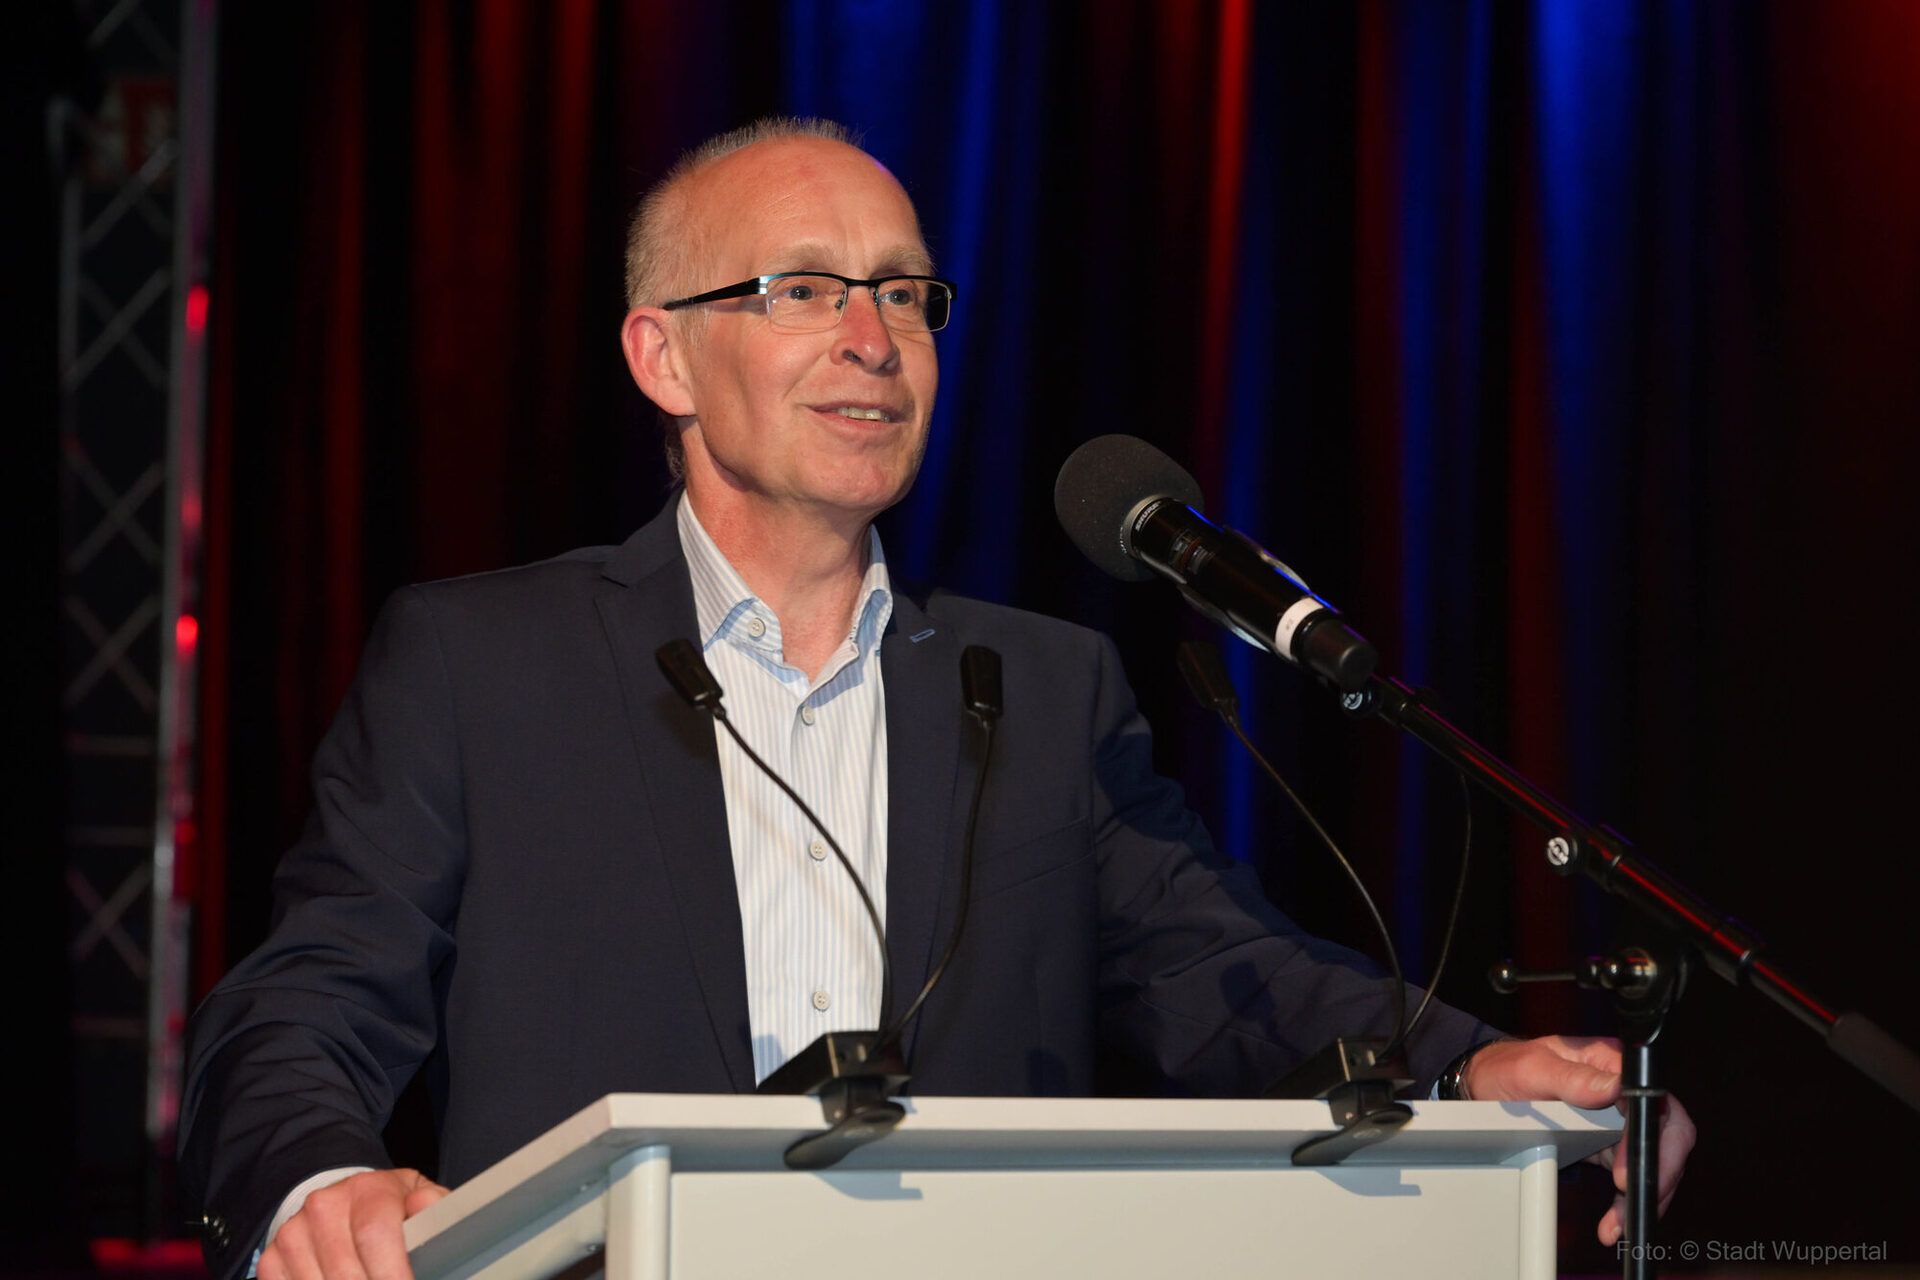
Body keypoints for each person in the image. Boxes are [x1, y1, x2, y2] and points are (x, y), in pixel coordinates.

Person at [179, 118, 1694, 1280]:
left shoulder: (1037, 686)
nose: (874, 338)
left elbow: (1221, 972)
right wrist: (322, 1183)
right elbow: (303, 1004)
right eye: (804, 290)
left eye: (906, 294)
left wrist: (1468, 1062)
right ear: (665, 358)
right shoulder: (482, 664)